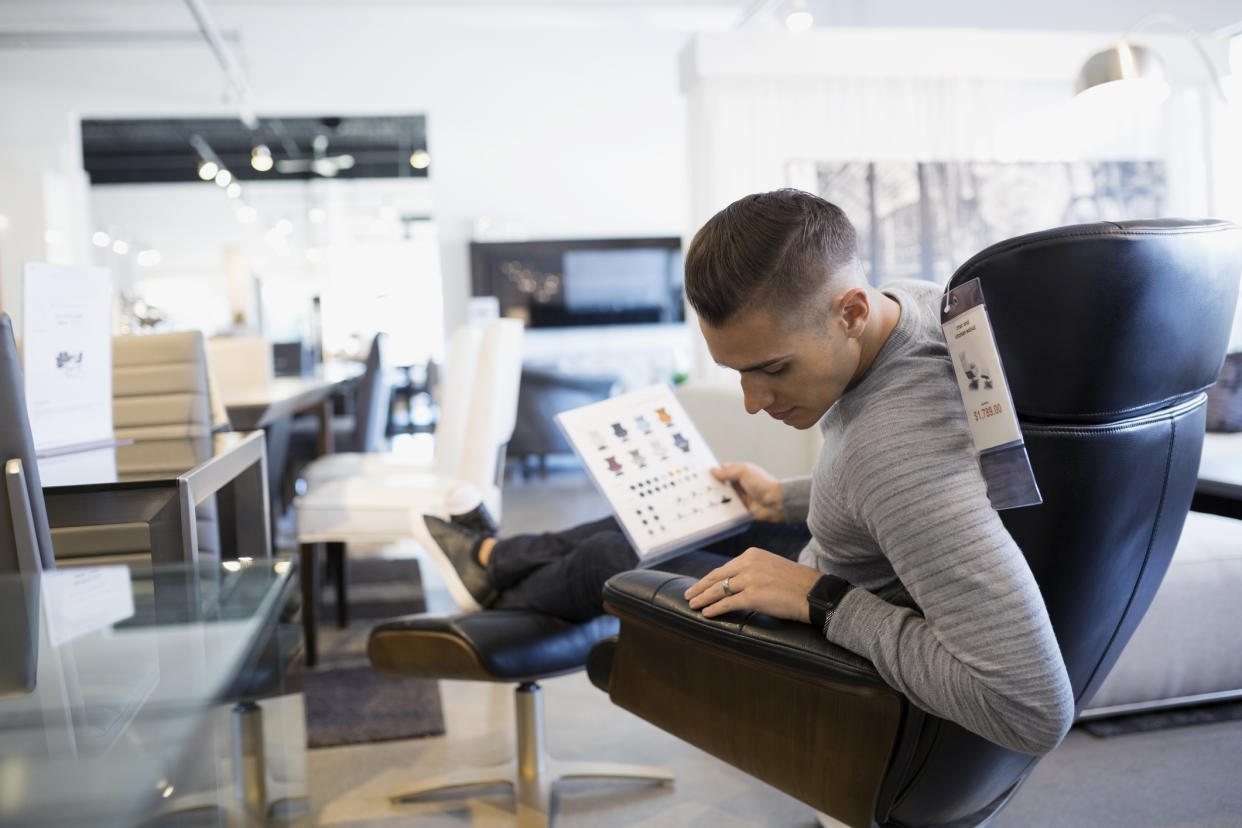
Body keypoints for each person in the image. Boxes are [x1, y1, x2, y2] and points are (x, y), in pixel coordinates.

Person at [424, 189, 1074, 756]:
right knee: (680, 505)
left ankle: (494, 580)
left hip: (828, 641)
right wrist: (781, 499)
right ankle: (494, 556)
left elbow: (1031, 709)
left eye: (773, 368)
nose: (752, 401)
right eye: (739, 371)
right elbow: (885, 495)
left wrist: (822, 601)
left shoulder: (895, 454)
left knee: (608, 558)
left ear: (849, 312)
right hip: (838, 559)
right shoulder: (916, 303)